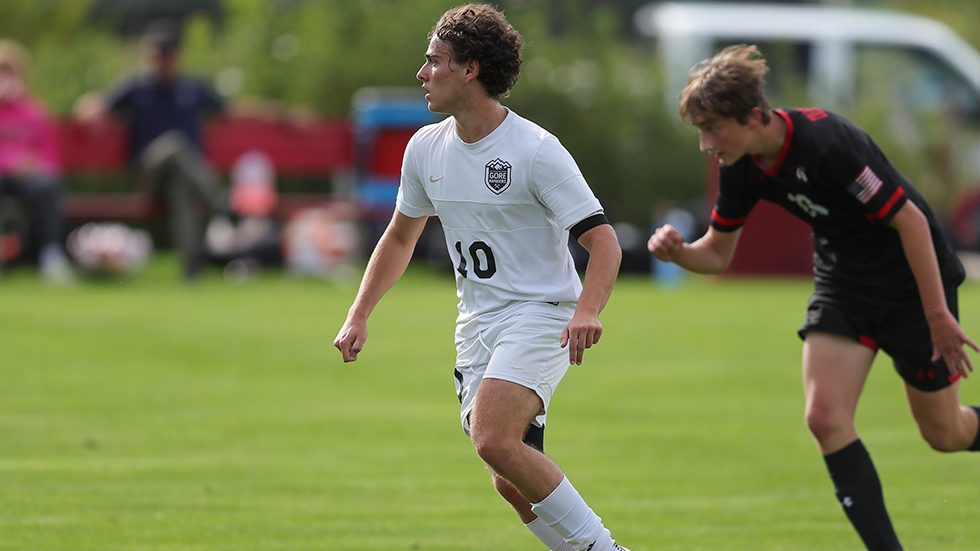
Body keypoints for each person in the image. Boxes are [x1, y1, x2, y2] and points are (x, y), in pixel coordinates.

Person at [648, 44, 980, 550]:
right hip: (844, 284)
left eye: (713, 128)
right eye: (700, 130)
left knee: (946, 434)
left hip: (910, 285)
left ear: (754, 116)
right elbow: (716, 254)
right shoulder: (741, 164)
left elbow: (911, 220)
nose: (705, 144)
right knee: (824, 417)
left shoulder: (828, 141)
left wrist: (937, 315)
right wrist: (678, 253)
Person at [334, 5, 628, 551]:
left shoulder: (535, 151)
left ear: (469, 69)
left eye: (434, 61)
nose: (423, 74)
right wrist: (360, 312)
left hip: (541, 315)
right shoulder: (425, 148)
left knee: (494, 440)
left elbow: (603, 242)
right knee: (511, 480)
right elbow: (400, 237)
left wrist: (588, 310)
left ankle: (606, 549)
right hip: (477, 325)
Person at [74, 19, 224, 281]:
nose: (162, 62)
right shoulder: (135, 87)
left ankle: (191, 272)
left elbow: (233, 109)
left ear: (178, 56)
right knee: (174, 145)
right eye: (156, 56)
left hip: (182, 177)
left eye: (167, 56)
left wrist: (284, 115)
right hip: (148, 175)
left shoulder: (193, 88)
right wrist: (88, 107)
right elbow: (95, 106)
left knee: (182, 191)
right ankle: (221, 200)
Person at [0, 39, 73, 284]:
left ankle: (51, 255)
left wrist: (35, 164)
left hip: (29, 177)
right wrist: (11, 163)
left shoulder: (34, 112)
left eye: (10, 72)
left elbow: (51, 155)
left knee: (49, 186)